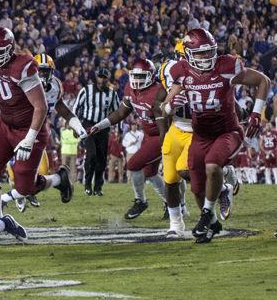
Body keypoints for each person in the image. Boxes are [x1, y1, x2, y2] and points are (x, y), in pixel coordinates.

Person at [161, 28, 270, 243]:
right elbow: (165, 105)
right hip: (200, 135)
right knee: (196, 187)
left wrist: (257, 113)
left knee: (212, 165)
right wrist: (170, 107)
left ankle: (204, 216)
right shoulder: (181, 71)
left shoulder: (227, 66)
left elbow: (263, 81)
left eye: (209, 51)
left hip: (227, 131)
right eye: (200, 53)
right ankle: (212, 223)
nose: (206, 57)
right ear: (189, 53)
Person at [0, 27, 74, 240]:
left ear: (10, 49)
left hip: (30, 130)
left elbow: (41, 107)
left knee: (25, 188)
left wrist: (29, 138)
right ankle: (0, 221)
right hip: (5, 126)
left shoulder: (22, 67)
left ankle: (58, 179)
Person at [2, 52, 86, 211]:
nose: (41, 74)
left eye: (45, 71)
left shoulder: (55, 86)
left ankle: (26, 191)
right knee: (16, 174)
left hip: (37, 132)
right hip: (17, 131)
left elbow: (64, 111)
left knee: (41, 172)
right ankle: (21, 192)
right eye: (38, 70)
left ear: (51, 72)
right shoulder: (22, 83)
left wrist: (79, 127)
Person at [91, 59, 168, 220]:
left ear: (151, 76)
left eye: (142, 77)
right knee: (151, 172)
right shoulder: (129, 88)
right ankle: (172, 203)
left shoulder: (158, 91)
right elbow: (121, 113)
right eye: (135, 76)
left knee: (133, 165)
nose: (137, 81)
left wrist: (166, 143)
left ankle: (141, 201)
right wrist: (101, 125)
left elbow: (164, 122)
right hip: (148, 135)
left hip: (163, 134)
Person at [158, 41, 192, 237]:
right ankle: (176, 224)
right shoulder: (171, 73)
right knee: (170, 179)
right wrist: (170, 106)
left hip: (198, 130)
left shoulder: (207, 74)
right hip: (177, 127)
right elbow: (162, 106)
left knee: (185, 170)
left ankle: (220, 187)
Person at [74, 68, 120, 195]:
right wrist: (75, 126)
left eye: (104, 77)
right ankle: (87, 185)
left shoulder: (112, 94)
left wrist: (119, 130)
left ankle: (98, 187)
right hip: (88, 126)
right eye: (100, 76)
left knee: (101, 159)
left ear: (108, 78)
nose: (102, 79)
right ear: (96, 77)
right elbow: (76, 108)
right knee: (92, 155)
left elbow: (118, 112)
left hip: (104, 127)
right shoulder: (86, 90)